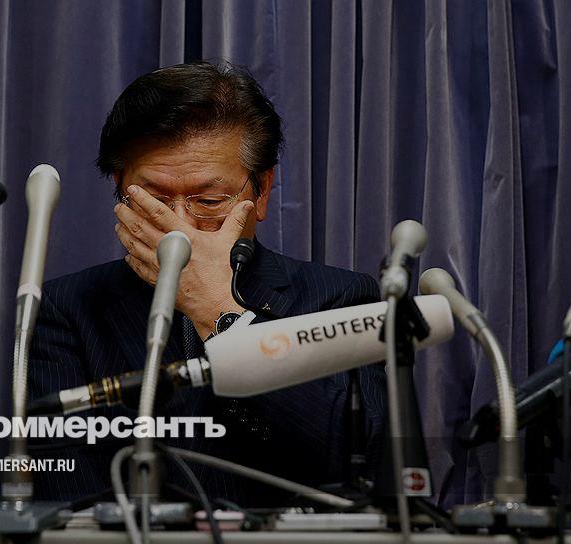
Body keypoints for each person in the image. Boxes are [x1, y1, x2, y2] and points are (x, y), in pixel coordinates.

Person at [28, 60, 386, 505]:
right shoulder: (67, 309)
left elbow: (370, 468)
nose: (179, 228)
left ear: (262, 191)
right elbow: (64, 494)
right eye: (155, 199)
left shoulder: (340, 299)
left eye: (209, 200)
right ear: (120, 187)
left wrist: (220, 314)